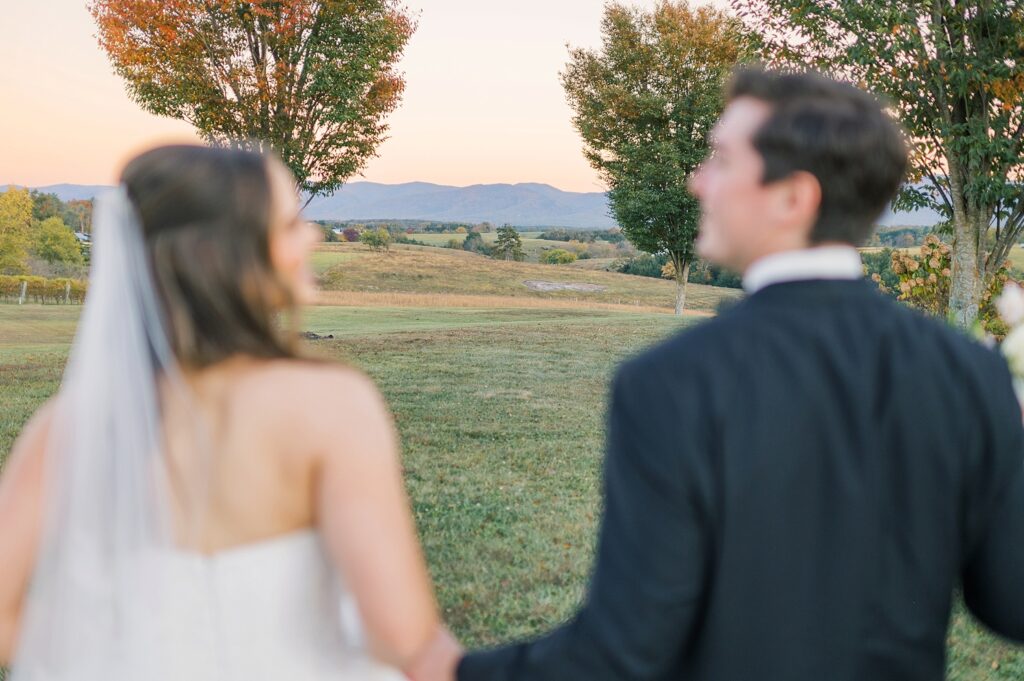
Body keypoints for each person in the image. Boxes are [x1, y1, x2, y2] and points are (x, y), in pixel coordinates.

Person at [456, 67, 1024, 681]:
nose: (697, 181)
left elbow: (622, 651)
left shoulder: (670, 383)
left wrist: (456, 670)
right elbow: (1010, 602)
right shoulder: (970, 373)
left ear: (793, 198)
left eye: (721, 160)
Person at [0, 145, 460, 680]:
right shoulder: (331, 408)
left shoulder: (67, 427)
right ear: (227, 253)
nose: (311, 236)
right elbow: (403, 636)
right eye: (289, 224)